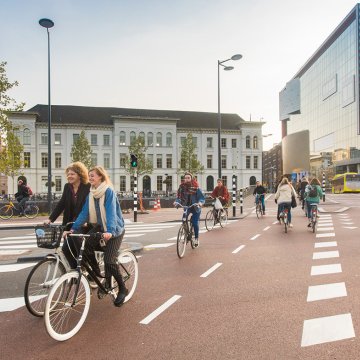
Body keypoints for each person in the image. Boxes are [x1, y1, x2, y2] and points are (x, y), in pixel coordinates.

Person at [63, 166, 127, 307]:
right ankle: (95, 271)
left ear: (101, 178)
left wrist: (110, 231)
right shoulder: (91, 194)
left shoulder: (108, 192)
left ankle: (122, 288)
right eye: (90, 175)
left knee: (109, 260)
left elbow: (111, 213)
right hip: (100, 227)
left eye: (93, 176)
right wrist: (73, 229)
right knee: (81, 243)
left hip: (114, 229)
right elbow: (84, 213)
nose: (90, 178)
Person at [45, 162, 91, 268]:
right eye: (68, 174)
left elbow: (90, 207)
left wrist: (86, 221)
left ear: (79, 175)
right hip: (69, 223)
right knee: (66, 250)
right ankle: (76, 272)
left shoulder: (87, 186)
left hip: (82, 223)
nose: (69, 176)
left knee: (79, 248)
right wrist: (50, 219)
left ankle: (89, 268)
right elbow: (61, 204)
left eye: (72, 174)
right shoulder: (67, 187)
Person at [174, 172, 205, 247]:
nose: (187, 179)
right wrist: (176, 202)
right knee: (184, 220)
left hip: (195, 207)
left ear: (191, 178)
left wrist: (200, 203)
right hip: (187, 206)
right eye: (186, 178)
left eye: (188, 178)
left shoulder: (196, 187)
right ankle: (187, 234)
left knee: (194, 222)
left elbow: (201, 198)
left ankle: (196, 238)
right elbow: (179, 197)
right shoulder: (182, 187)